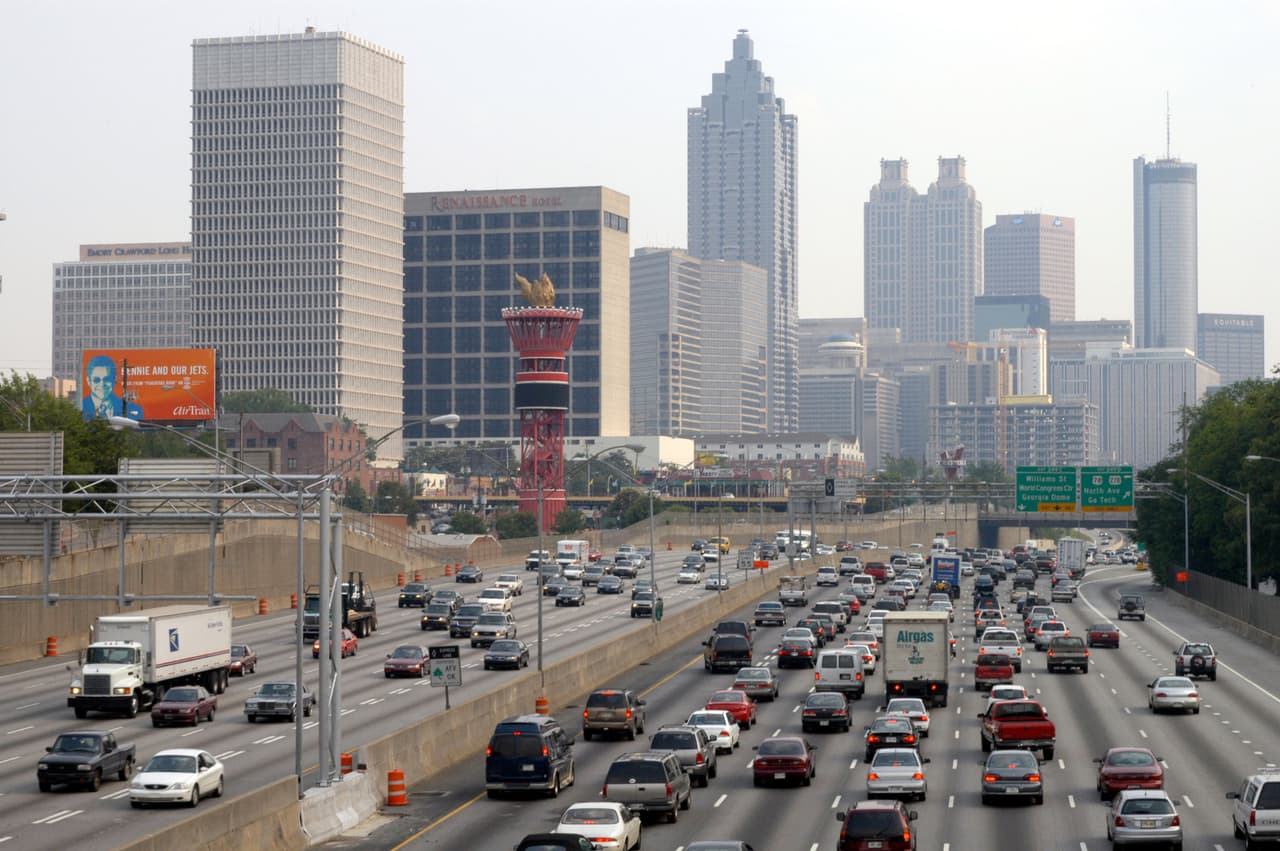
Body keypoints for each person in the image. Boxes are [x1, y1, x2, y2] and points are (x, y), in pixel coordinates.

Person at [81, 355, 124, 420]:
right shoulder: (80, 407)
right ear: (88, 381)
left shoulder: (132, 409)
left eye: (107, 379)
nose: (102, 384)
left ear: (115, 380)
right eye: (96, 379)